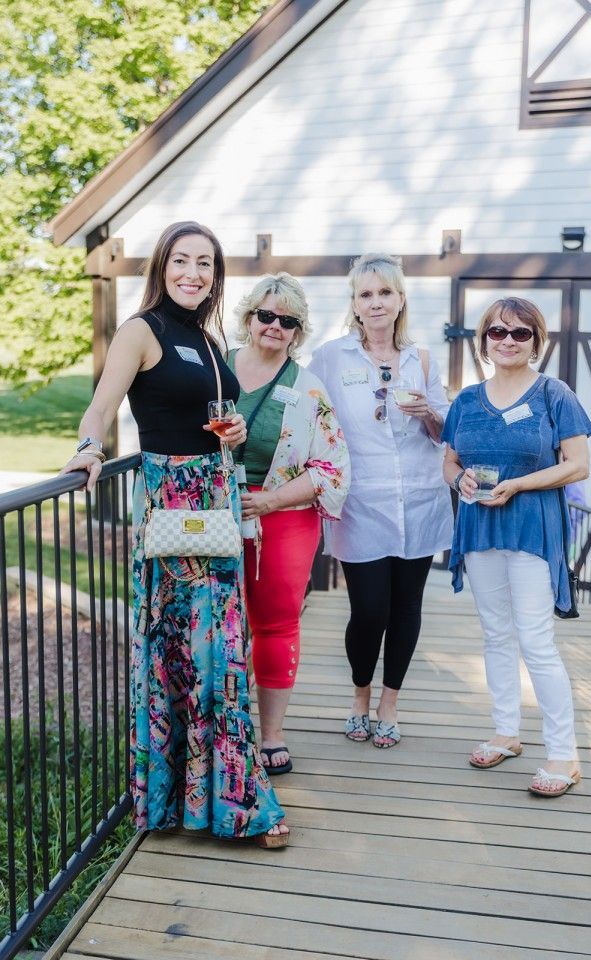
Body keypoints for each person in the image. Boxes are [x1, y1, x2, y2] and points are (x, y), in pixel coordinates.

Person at [61, 221, 289, 845]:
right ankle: (212, 803)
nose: (194, 273)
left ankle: (220, 798)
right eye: (182, 261)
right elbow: (102, 406)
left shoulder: (209, 339)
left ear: (217, 275)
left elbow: (216, 415)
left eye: (206, 264)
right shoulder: (142, 330)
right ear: (162, 266)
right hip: (172, 504)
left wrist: (234, 433)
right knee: (186, 651)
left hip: (214, 498)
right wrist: (87, 449)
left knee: (220, 650)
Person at [442, 297, 591, 798]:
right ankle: (507, 731)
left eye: (521, 333)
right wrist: (461, 479)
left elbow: (578, 464)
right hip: (480, 527)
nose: (508, 340)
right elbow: (450, 462)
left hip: (531, 527)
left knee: (536, 639)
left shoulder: (555, 394)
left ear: (536, 340)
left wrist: (521, 485)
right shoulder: (466, 400)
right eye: (498, 332)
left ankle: (563, 753)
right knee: (495, 633)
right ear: (483, 339)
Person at [308, 253, 453, 748]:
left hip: (418, 499)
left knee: (406, 607)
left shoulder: (423, 358)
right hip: (360, 503)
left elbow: (443, 433)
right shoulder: (330, 358)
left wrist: (428, 412)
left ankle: (390, 705)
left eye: (384, 293)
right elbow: (308, 417)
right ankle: (360, 696)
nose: (376, 303)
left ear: (400, 300)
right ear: (354, 303)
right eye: (366, 294)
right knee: (369, 609)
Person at [228, 272, 350, 775]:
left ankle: (271, 735)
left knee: (275, 624)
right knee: (215, 625)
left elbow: (333, 466)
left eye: (288, 321)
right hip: (212, 515)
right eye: (266, 315)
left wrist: (271, 500)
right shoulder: (216, 369)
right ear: (249, 318)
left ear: (299, 331)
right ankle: (220, 733)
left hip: (284, 518)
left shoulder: (308, 388)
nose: (275, 326)